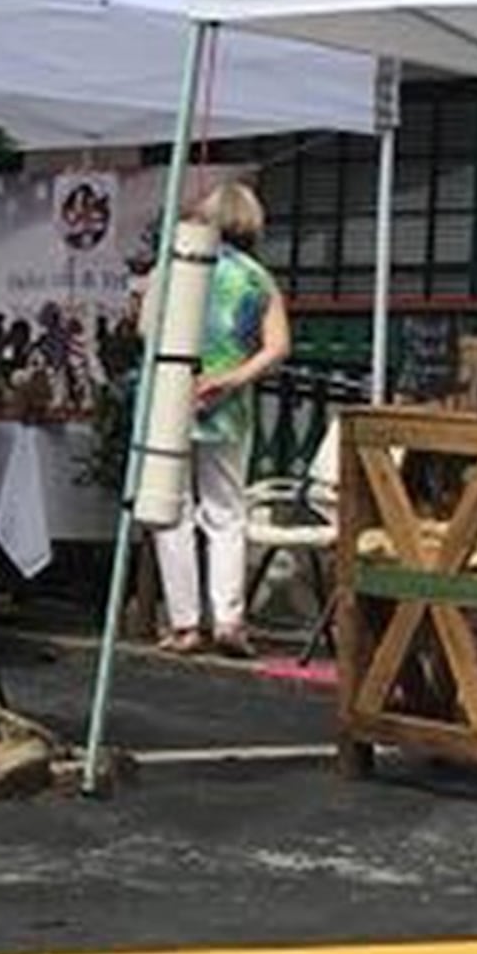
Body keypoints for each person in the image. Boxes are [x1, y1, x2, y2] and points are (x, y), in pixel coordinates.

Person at [156, 179, 290, 658]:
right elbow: (278, 346)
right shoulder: (257, 279)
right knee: (227, 513)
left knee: (172, 511)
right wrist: (232, 378)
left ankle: (185, 623)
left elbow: (145, 327)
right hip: (229, 408)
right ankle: (230, 619)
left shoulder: (177, 269)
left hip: (173, 399)